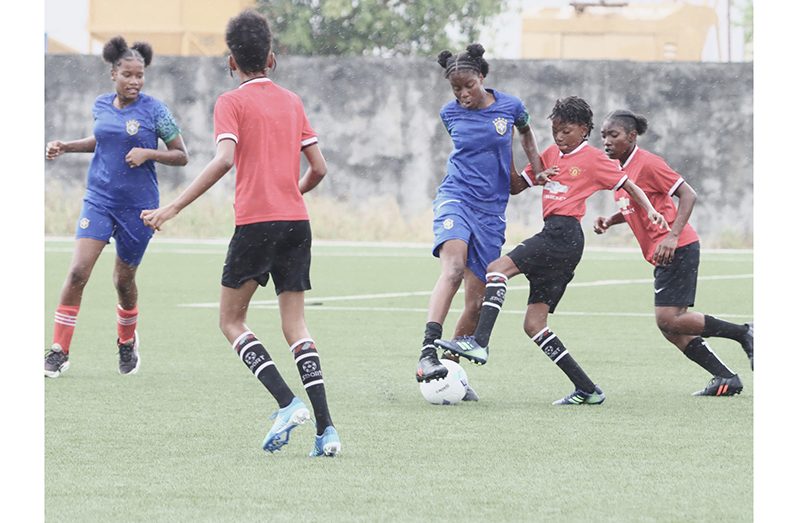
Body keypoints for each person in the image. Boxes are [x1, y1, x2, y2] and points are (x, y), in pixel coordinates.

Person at [140, 9, 339, 457]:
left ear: (232, 62)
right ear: (271, 59)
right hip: (296, 221)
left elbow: (225, 159)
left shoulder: (231, 102)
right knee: (297, 326)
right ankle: (327, 431)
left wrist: (171, 207)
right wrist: (291, 193)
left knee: (230, 320)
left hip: (256, 223)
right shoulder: (292, 100)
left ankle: (287, 403)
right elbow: (320, 169)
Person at [436, 96, 668, 405]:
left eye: (567, 131)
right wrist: (502, 149)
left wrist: (651, 210)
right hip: (559, 240)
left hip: (564, 234)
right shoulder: (550, 154)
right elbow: (516, 186)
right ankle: (587, 389)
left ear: (584, 130)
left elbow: (628, 185)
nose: (559, 136)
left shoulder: (594, 158)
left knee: (495, 269)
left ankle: (479, 343)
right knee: (534, 324)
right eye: (555, 130)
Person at [44, 36, 188, 378]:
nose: (135, 81)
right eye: (128, 75)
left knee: (123, 281)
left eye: (140, 75)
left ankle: (126, 341)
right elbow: (103, 139)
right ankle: (59, 351)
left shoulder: (155, 111)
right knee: (78, 272)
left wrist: (148, 153)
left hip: (138, 208)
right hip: (99, 200)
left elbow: (181, 155)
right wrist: (66, 146)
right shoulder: (100, 105)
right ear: (113, 73)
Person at [416, 43, 550, 396]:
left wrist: (534, 169)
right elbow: (473, 154)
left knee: (476, 303)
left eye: (468, 86)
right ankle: (427, 350)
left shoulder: (511, 107)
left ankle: (451, 374)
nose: (462, 94)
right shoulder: (450, 113)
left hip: (491, 212)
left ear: (482, 77)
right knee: (454, 268)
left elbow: (521, 135)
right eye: (456, 88)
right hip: (455, 198)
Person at [593, 109, 753, 396]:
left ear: (631, 137)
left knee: (668, 319)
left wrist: (672, 235)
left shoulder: (648, 163)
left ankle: (745, 332)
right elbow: (638, 205)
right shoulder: (620, 169)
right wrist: (611, 220)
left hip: (677, 247)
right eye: (603, 135)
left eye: (613, 135)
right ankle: (726, 378)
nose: (606, 141)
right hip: (664, 252)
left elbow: (688, 194)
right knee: (671, 328)